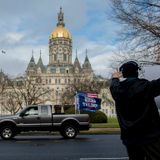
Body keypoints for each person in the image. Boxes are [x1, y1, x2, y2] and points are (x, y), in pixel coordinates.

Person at [110, 61, 160, 159]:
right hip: (150, 136)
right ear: (137, 72)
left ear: (123, 74)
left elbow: (114, 84)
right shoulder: (146, 86)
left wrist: (115, 77)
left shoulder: (117, 90)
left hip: (130, 137)